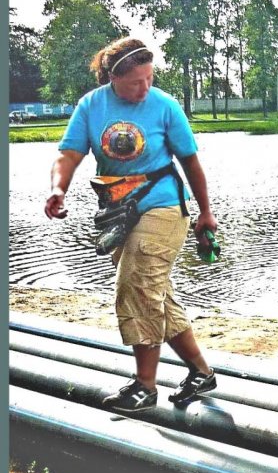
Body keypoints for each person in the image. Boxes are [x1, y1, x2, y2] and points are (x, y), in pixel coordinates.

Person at [44, 37, 218, 412]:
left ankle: (145, 386)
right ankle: (202, 373)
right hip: (118, 213)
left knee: (136, 286)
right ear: (112, 77)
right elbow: (70, 153)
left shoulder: (165, 106)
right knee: (156, 295)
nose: (145, 88)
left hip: (164, 206)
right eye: (135, 82)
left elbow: (191, 163)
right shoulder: (92, 105)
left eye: (150, 78)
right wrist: (59, 188)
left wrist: (205, 213)